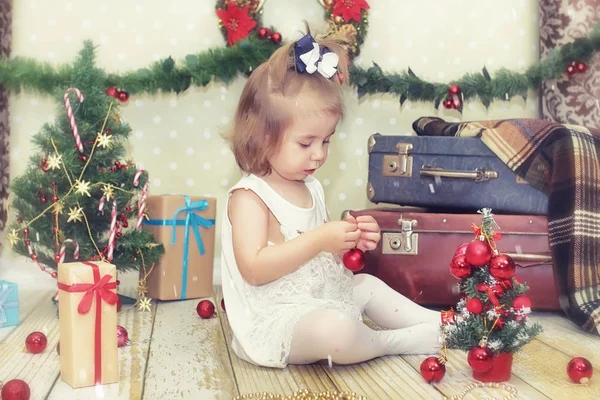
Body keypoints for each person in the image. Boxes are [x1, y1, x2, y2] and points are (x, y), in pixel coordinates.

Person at [221, 24, 441, 369]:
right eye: (306, 143)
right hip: (278, 320)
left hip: (319, 298)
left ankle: (442, 324)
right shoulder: (250, 196)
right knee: (335, 331)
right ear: (263, 137)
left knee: (366, 284)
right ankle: (392, 341)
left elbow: (326, 264)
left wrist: (349, 241)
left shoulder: (312, 187)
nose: (319, 154)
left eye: (326, 141)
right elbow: (254, 269)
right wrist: (320, 238)